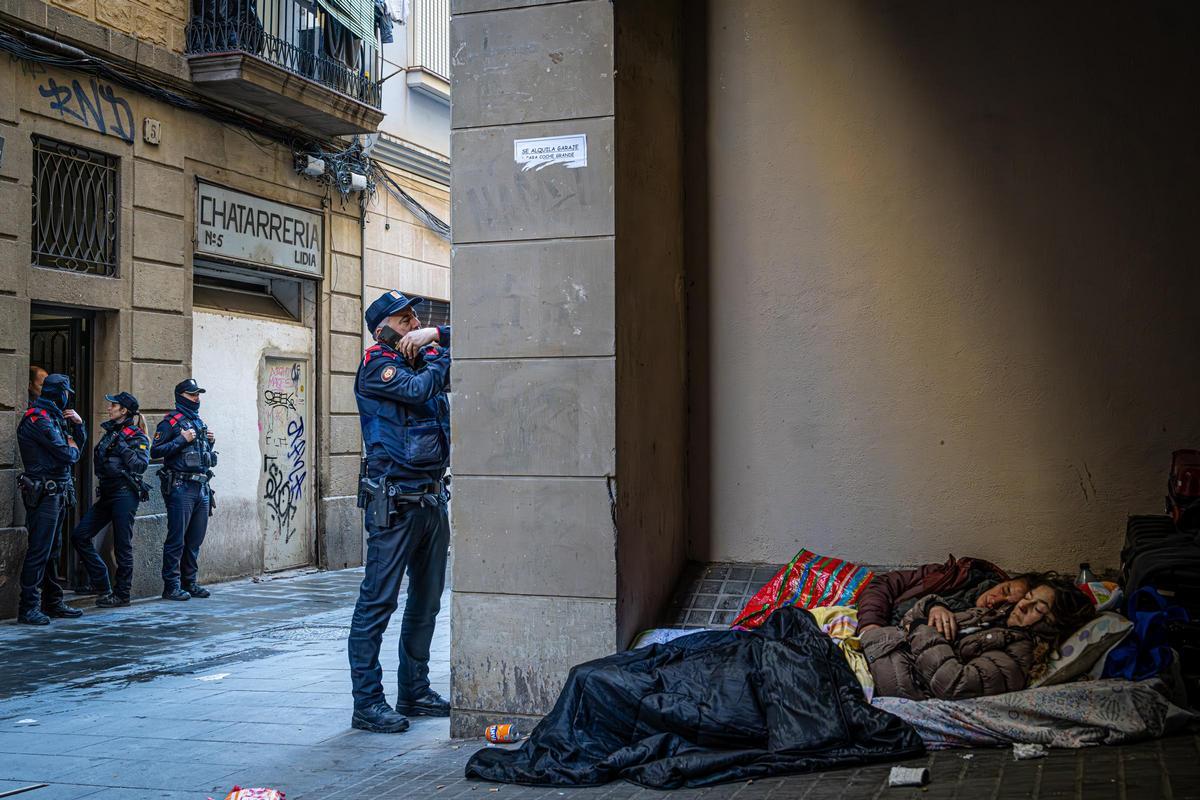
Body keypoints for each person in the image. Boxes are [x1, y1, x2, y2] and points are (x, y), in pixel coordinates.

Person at [348, 290, 452, 733]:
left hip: (430, 498)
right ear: (384, 330)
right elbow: (419, 389)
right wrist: (435, 350)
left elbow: (476, 344)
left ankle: (415, 691)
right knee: (378, 602)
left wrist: (437, 333)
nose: (414, 322)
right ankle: (367, 703)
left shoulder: (420, 357)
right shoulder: (378, 366)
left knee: (426, 602)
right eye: (405, 319)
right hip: (395, 502)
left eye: (415, 316)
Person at [861, 575, 1096, 700]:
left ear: (1052, 622)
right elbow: (910, 619)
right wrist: (934, 607)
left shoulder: (1018, 651)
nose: (1024, 606)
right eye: (1029, 597)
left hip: (886, 675)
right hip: (876, 652)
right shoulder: (991, 617)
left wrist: (923, 629)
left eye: (1038, 608)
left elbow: (954, 683)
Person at [16, 373, 86, 625]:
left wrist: (78, 426)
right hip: (44, 493)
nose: (68, 398)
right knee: (39, 550)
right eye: (66, 393)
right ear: (59, 392)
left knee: (53, 551)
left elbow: (75, 447)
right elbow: (67, 453)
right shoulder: (38, 418)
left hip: (58, 491)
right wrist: (72, 446)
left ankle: (53, 601)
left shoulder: (56, 416)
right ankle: (28, 606)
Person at [71, 392, 150, 608]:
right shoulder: (111, 432)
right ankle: (102, 582)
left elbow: (141, 465)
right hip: (107, 493)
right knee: (79, 535)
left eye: (113, 405)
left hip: (125, 494)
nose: (109, 408)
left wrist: (122, 445)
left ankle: (122, 594)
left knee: (122, 546)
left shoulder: (136, 435)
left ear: (124, 411)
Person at [151, 378, 217, 602]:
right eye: (192, 395)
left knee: (194, 540)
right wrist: (180, 439)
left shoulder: (198, 422)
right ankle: (171, 586)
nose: (197, 399)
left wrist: (211, 442)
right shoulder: (170, 423)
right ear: (180, 396)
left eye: (198, 394)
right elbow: (156, 451)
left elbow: (203, 455)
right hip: (181, 487)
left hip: (201, 486)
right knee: (176, 539)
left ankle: (190, 582)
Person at [855, 554, 1040, 634]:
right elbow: (884, 583)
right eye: (1004, 590)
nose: (996, 599)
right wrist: (871, 624)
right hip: (874, 625)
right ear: (1003, 582)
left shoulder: (987, 626)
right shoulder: (951, 576)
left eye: (1005, 603)